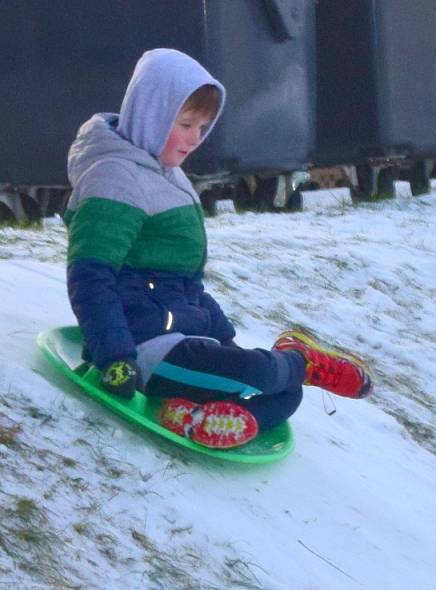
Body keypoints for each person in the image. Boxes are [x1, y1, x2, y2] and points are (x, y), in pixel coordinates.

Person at [65, 48, 372, 449]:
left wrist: (224, 340)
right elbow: (91, 277)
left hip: (182, 338)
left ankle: (193, 418)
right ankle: (302, 360)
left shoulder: (166, 174)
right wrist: (115, 358)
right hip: (144, 350)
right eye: (186, 123)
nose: (195, 139)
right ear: (151, 114)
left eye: (203, 126)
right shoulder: (115, 177)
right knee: (265, 375)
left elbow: (185, 284)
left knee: (285, 393)